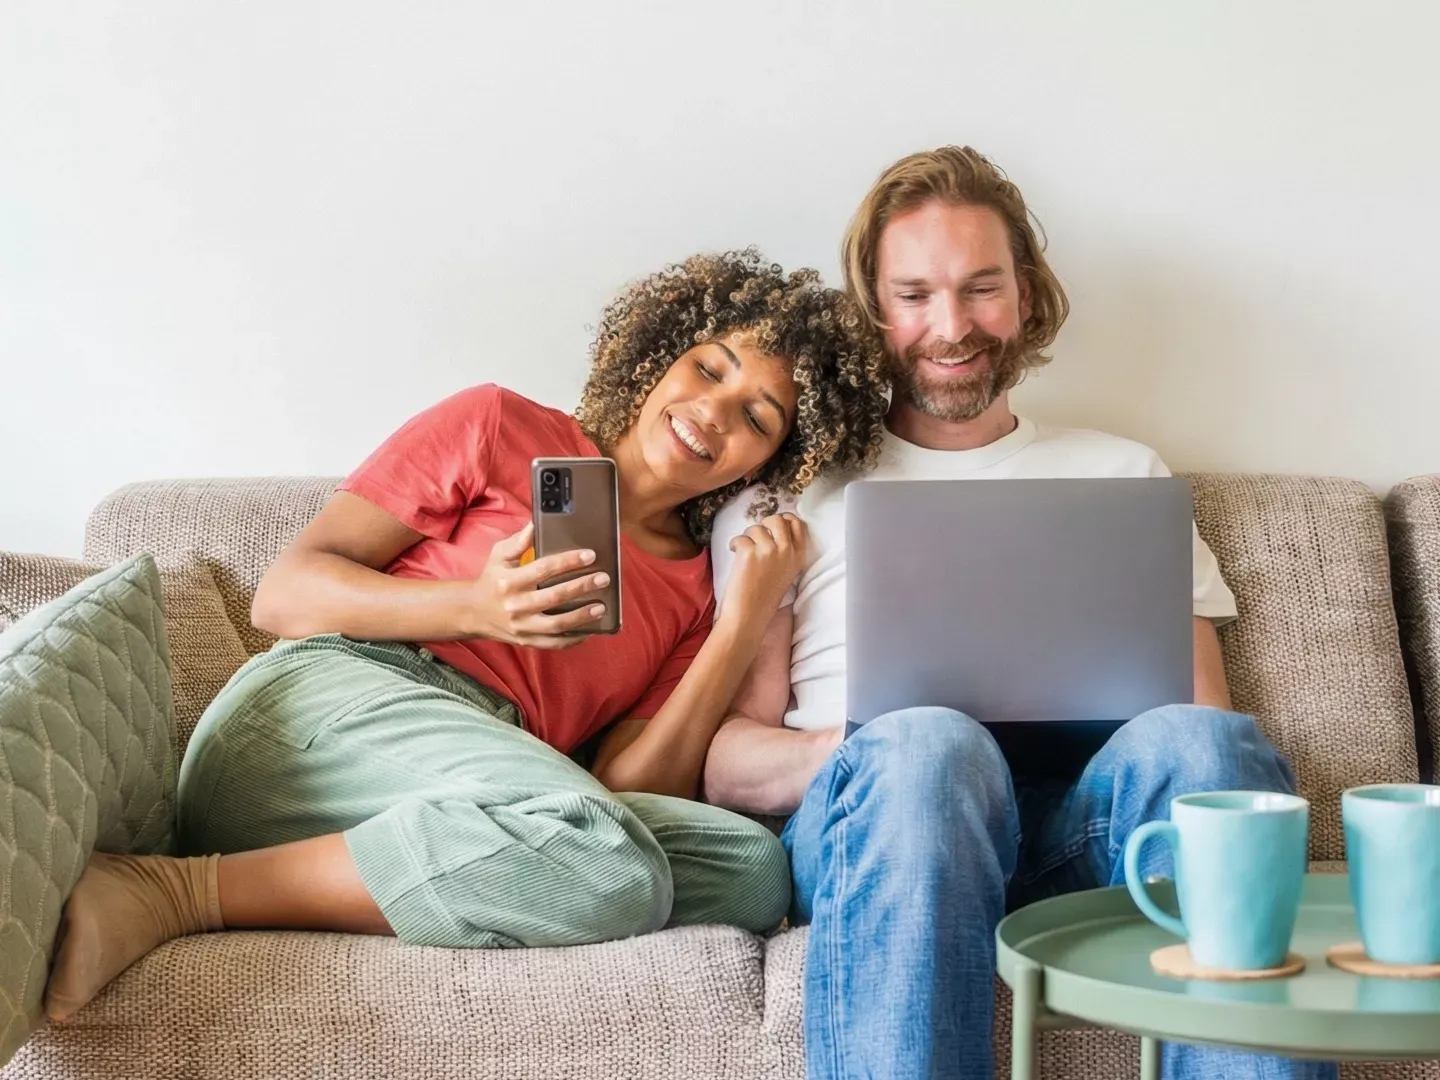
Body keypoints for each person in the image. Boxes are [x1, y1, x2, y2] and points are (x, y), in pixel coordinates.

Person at [42, 249, 890, 1023]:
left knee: (749, 869)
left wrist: (739, 627)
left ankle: (454, 870)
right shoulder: (499, 426)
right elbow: (285, 594)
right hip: (321, 713)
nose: (712, 410)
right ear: (662, 353)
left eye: (758, 415)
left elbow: (635, 780)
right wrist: (475, 608)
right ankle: (171, 892)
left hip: (481, 783)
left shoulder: (695, 591)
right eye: (709, 367)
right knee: (606, 859)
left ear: (770, 462)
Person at [703, 150, 1337, 1080]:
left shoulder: (1126, 477)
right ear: (873, 311)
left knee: (1208, 754)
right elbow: (726, 760)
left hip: (1081, 833)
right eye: (914, 293)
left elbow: (1205, 736)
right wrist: (858, 745)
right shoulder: (795, 495)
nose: (950, 326)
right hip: (889, 829)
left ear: (1027, 297)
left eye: (980, 288)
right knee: (928, 748)